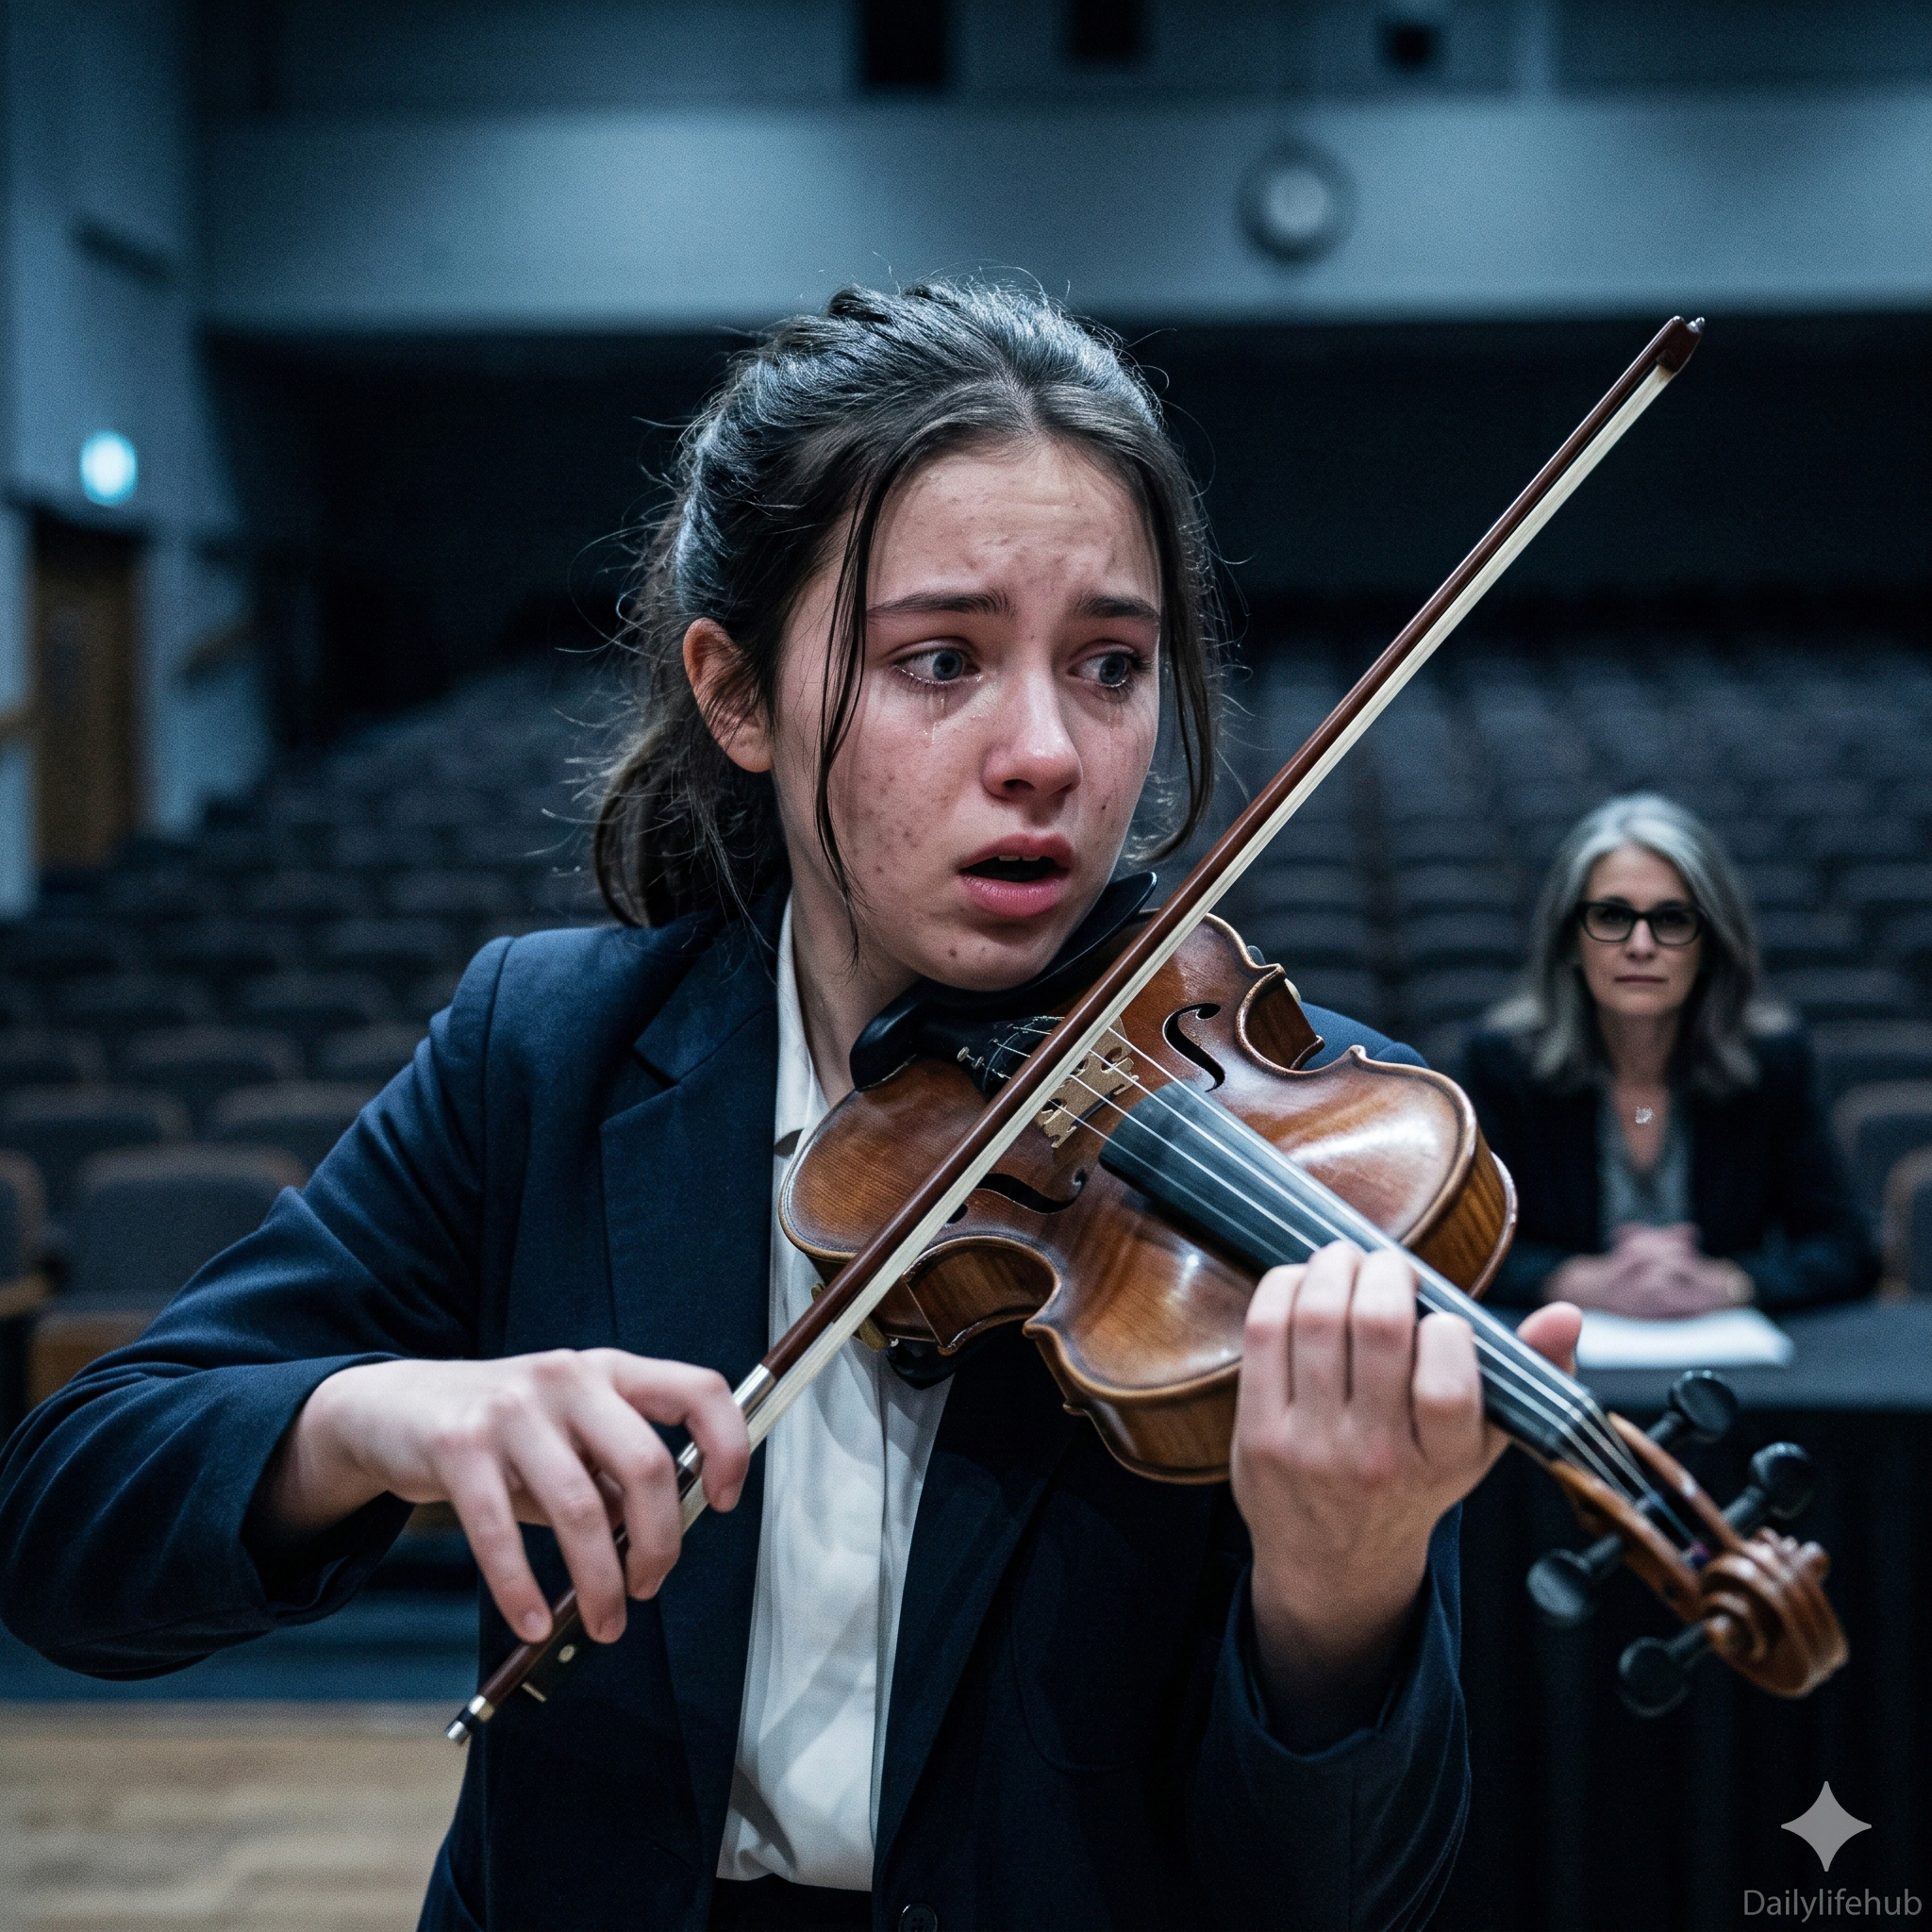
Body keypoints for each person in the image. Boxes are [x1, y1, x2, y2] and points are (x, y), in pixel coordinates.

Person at [0, 283, 1576, 1932]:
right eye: (937, 660)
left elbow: (1345, 1897)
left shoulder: (1303, 1153)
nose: (1044, 750)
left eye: (1110, 662)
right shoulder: (545, 1052)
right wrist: (384, 1416)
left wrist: (1337, 1584)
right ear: (735, 695)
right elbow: (69, 1524)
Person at [1461, 792, 1876, 1315]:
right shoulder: (1503, 1063)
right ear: (1570, 940)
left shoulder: (1774, 1061)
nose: (1640, 944)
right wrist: (1572, 1280)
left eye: (1673, 920)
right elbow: (1457, 1251)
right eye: (1612, 917)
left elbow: (1846, 1248)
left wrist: (1728, 1283)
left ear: (1710, 943)